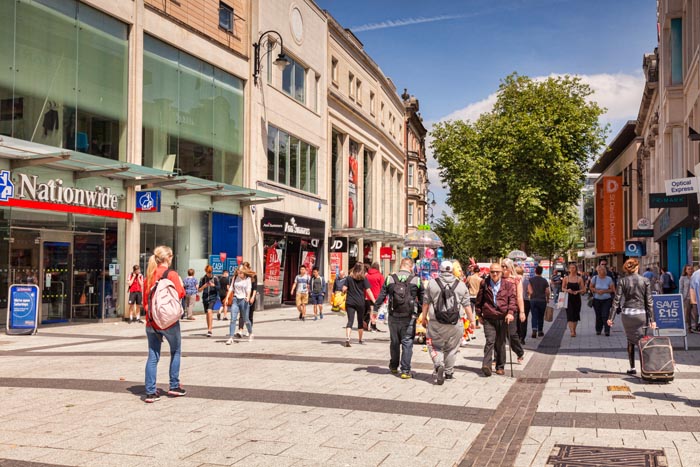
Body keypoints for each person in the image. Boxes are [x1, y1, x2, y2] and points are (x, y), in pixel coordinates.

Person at [419, 260, 475, 384]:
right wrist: (472, 321)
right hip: (456, 323)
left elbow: (426, 303)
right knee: (452, 348)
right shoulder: (461, 285)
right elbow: (467, 305)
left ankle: (439, 365)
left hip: (436, 322)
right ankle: (449, 373)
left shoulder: (432, 284)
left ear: (441, 270)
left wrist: (423, 319)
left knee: (433, 345)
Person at [143, 245, 186, 403]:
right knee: (175, 350)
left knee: (153, 356)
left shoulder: (148, 275)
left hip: (151, 321)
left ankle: (150, 392)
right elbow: (181, 293)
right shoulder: (171, 274)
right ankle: (174, 386)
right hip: (169, 322)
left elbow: (144, 300)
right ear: (168, 258)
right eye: (172, 256)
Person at [375, 257, 423, 379]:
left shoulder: (390, 278)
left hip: (393, 316)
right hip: (409, 317)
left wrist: (375, 310)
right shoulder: (416, 280)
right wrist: (419, 313)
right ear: (411, 267)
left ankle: (393, 366)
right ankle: (405, 371)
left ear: (400, 265)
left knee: (395, 342)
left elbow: (382, 296)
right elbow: (423, 299)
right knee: (407, 342)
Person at [608, 258, 655, 375]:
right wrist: (652, 320)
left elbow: (616, 300)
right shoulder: (645, 280)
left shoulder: (622, 281)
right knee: (642, 340)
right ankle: (645, 367)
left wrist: (611, 318)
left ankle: (632, 368)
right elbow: (649, 301)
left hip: (627, 314)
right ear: (637, 267)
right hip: (640, 314)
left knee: (630, 340)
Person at [476, 263, 517, 376]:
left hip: (502, 317)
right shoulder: (484, 283)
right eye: (492, 271)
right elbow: (479, 299)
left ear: (501, 272)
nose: (494, 274)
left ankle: (500, 366)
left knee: (500, 343)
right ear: (489, 272)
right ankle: (487, 365)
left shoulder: (508, 285)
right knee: (490, 340)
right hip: (489, 317)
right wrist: (479, 314)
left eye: (497, 272)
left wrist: (510, 313)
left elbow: (512, 300)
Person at [342, 263, 376, 347]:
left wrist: (346, 290)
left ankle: (348, 338)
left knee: (350, 321)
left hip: (350, 302)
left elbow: (344, 289)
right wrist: (374, 301)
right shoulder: (364, 278)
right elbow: (368, 291)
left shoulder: (349, 278)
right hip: (360, 302)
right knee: (360, 321)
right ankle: (360, 339)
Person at [501, 259, 526, 363]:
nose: (503, 269)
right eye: (502, 266)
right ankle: (497, 357)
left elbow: (519, 296)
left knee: (511, 334)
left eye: (505, 267)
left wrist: (522, 311)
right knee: (499, 335)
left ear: (511, 268)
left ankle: (519, 351)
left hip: (513, 309)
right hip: (499, 309)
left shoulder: (516, 280)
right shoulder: (498, 278)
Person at [226, 267, 253, 344]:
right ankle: (231, 338)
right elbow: (231, 288)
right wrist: (227, 297)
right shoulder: (235, 278)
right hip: (235, 299)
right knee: (233, 319)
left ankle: (250, 333)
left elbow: (249, 289)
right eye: (238, 272)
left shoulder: (248, 279)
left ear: (244, 272)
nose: (239, 273)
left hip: (244, 300)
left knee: (246, 320)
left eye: (241, 272)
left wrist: (248, 297)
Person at [590, 265, 615, 336]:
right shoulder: (594, 278)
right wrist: (597, 291)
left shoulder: (609, 279)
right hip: (596, 300)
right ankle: (598, 330)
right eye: (599, 270)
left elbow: (612, 289)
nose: (601, 272)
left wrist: (604, 291)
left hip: (607, 300)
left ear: (605, 271)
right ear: (597, 271)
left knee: (605, 315)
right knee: (598, 316)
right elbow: (591, 287)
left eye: (603, 270)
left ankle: (607, 330)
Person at [562, 263, 584, 338]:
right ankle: (571, 331)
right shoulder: (566, 278)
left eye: (573, 268)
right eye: (570, 268)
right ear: (568, 269)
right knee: (570, 315)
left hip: (577, 298)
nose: (572, 269)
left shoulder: (579, 278)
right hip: (568, 299)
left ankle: (574, 329)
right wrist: (567, 290)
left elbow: (583, 289)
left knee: (576, 315)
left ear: (576, 269)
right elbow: (563, 288)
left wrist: (577, 291)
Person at [527, 266, 550, 339]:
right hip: (542, 300)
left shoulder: (531, 280)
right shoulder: (544, 280)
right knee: (541, 316)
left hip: (533, 300)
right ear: (542, 271)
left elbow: (529, 291)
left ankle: (534, 329)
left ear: (535, 271)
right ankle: (540, 331)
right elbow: (547, 291)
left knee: (534, 315)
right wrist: (548, 298)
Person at [198, 265, 218, 337]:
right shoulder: (203, 279)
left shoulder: (215, 278)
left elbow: (219, 288)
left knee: (210, 311)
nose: (208, 274)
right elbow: (199, 290)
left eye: (210, 272)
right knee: (207, 314)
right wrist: (204, 286)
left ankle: (210, 330)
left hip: (213, 297)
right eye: (207, 272)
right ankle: (208, 328)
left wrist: (214, 286)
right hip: (205, 298)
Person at [365, 262, 385, 332]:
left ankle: (372, 325)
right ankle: (373, 325)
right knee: (375, 311)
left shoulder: (367, 275)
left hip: (368, 295)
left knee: (372, 310)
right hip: (377, 295)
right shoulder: (379, 276)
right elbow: (383, 287)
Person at [680, 264, 697, 333]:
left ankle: (696, 326)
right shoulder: (683, 278)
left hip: (695, 297)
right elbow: (681, 288)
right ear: (685, 270)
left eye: (691, 269)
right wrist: (680, 297)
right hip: (686, 298)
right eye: (688, 269)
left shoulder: (695, 277)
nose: (690, 270)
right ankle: (689, 327)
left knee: (696, 313)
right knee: (687, 313)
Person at [518, 266, 530, 345]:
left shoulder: (514, 280)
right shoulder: (526, 280)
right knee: (524, 320)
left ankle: (517, 336)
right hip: (525, 301)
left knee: (516, 320)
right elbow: (530, 291)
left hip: (516, 301)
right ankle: (522, 338)